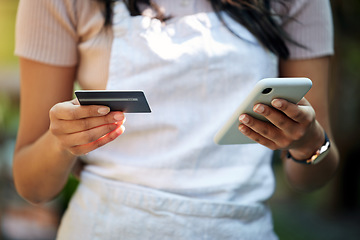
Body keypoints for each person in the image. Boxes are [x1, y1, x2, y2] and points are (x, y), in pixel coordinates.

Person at [13, 0, 339, 239]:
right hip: (105, 228)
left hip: (242, 229)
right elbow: (32, 185)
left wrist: (308, 142)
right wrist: (61, 142)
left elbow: (316, 173)